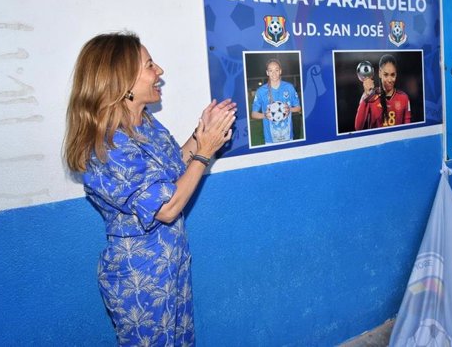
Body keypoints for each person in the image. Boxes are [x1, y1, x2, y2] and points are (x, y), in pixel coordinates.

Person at [64, 32, 236, 345]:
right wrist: (205, 152)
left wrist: (202, 134)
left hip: (172, 266)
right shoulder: (106, 147)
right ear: (121, 81)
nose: (160, 71)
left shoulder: (145, 123)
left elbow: (175, 167)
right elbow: (168, 208)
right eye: (149, 65)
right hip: (140, 280)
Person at [251, 58, 302, 144]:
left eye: (276, 70)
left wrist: (290, 109)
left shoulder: (289, 87)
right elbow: (253, 114)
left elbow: (298, 108)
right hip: (270, 139)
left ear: (280, 71)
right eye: (271, 71)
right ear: (267, 72)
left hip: (288, 137)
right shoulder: (261, 91)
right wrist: (265, 115)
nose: (274, 73)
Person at [354, 54, 411, 130]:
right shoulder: (369, 97)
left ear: (396, 74)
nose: (390, 80)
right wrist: (366, 97)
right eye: (386, 75)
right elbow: (358, 127)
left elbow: (408, 129)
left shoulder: (403, 98)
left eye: (392, 75)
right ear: (380, 73)